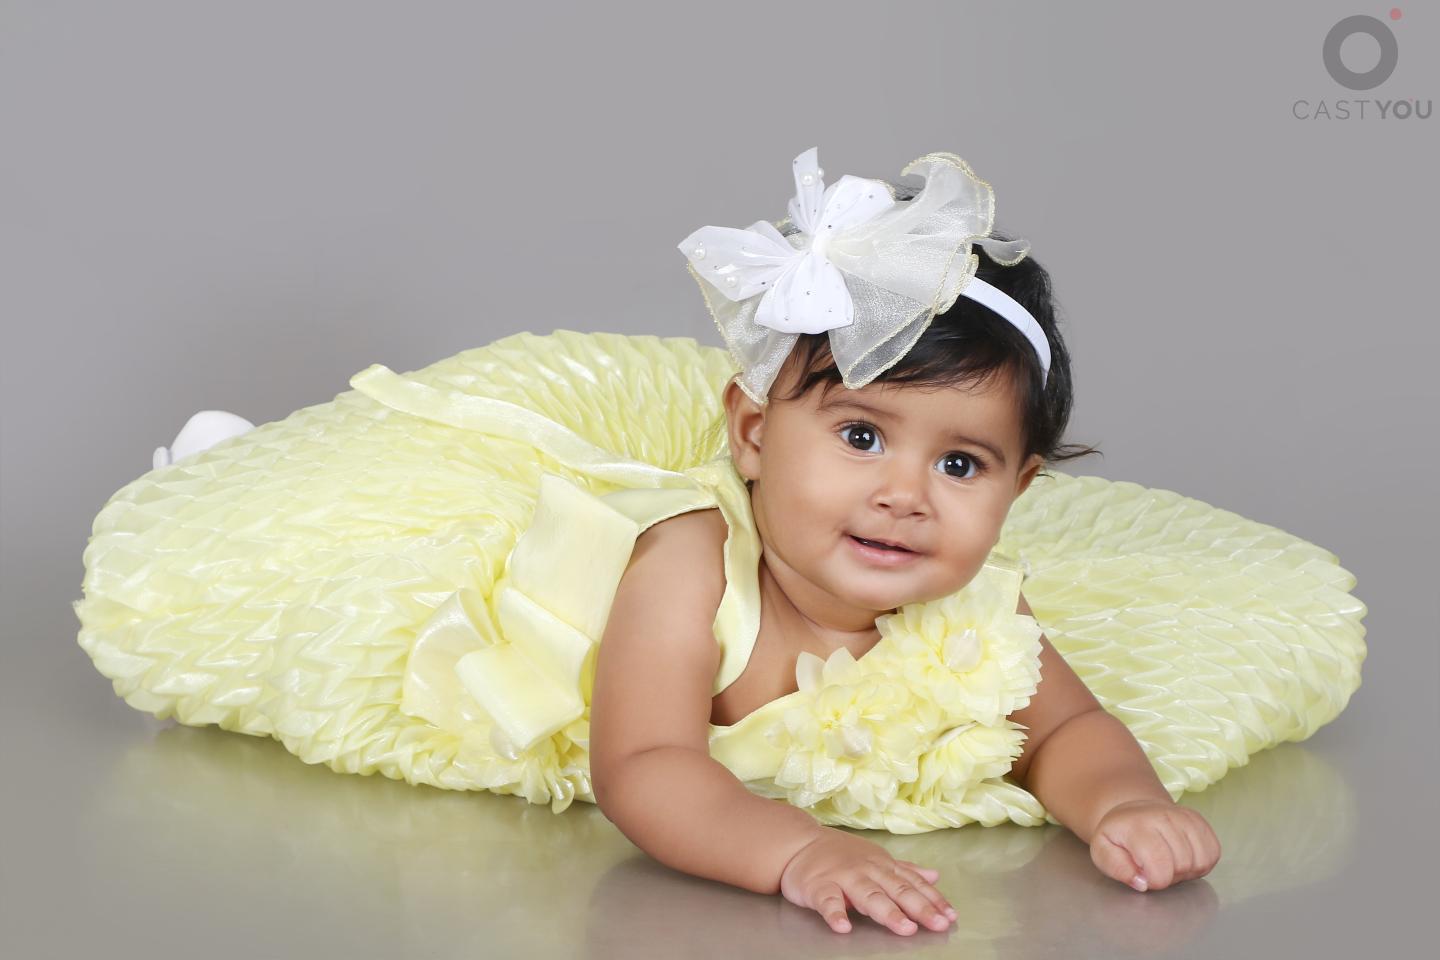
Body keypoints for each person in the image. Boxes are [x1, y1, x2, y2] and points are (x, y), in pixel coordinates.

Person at [74, 146, 1367, 938]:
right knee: (344, 583)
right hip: (528, 607)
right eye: (859, 436)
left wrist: (1124, 802)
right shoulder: (690, 564)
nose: (905, 495)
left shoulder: (977, 610)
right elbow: (642, 765)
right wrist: (793, 850)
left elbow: (1066, 728)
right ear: (753, 432)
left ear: (1020, 490)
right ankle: (228, 471)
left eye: (960, 464)